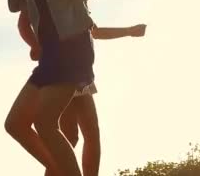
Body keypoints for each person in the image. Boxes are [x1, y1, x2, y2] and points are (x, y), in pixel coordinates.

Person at [4, 0, 94, 176]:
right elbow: (14, 5)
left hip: (73, 47)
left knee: (45, 122)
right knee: (15, 124)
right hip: (50, 53)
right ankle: (60, 170)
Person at [18, 9, 146, 176]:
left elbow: (95, 32)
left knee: (83, 134)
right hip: (65, 68)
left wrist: (129, 31)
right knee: (72, 135)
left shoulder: (73, 0)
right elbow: (23, 22)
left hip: (76, 68)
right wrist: (35, 45)